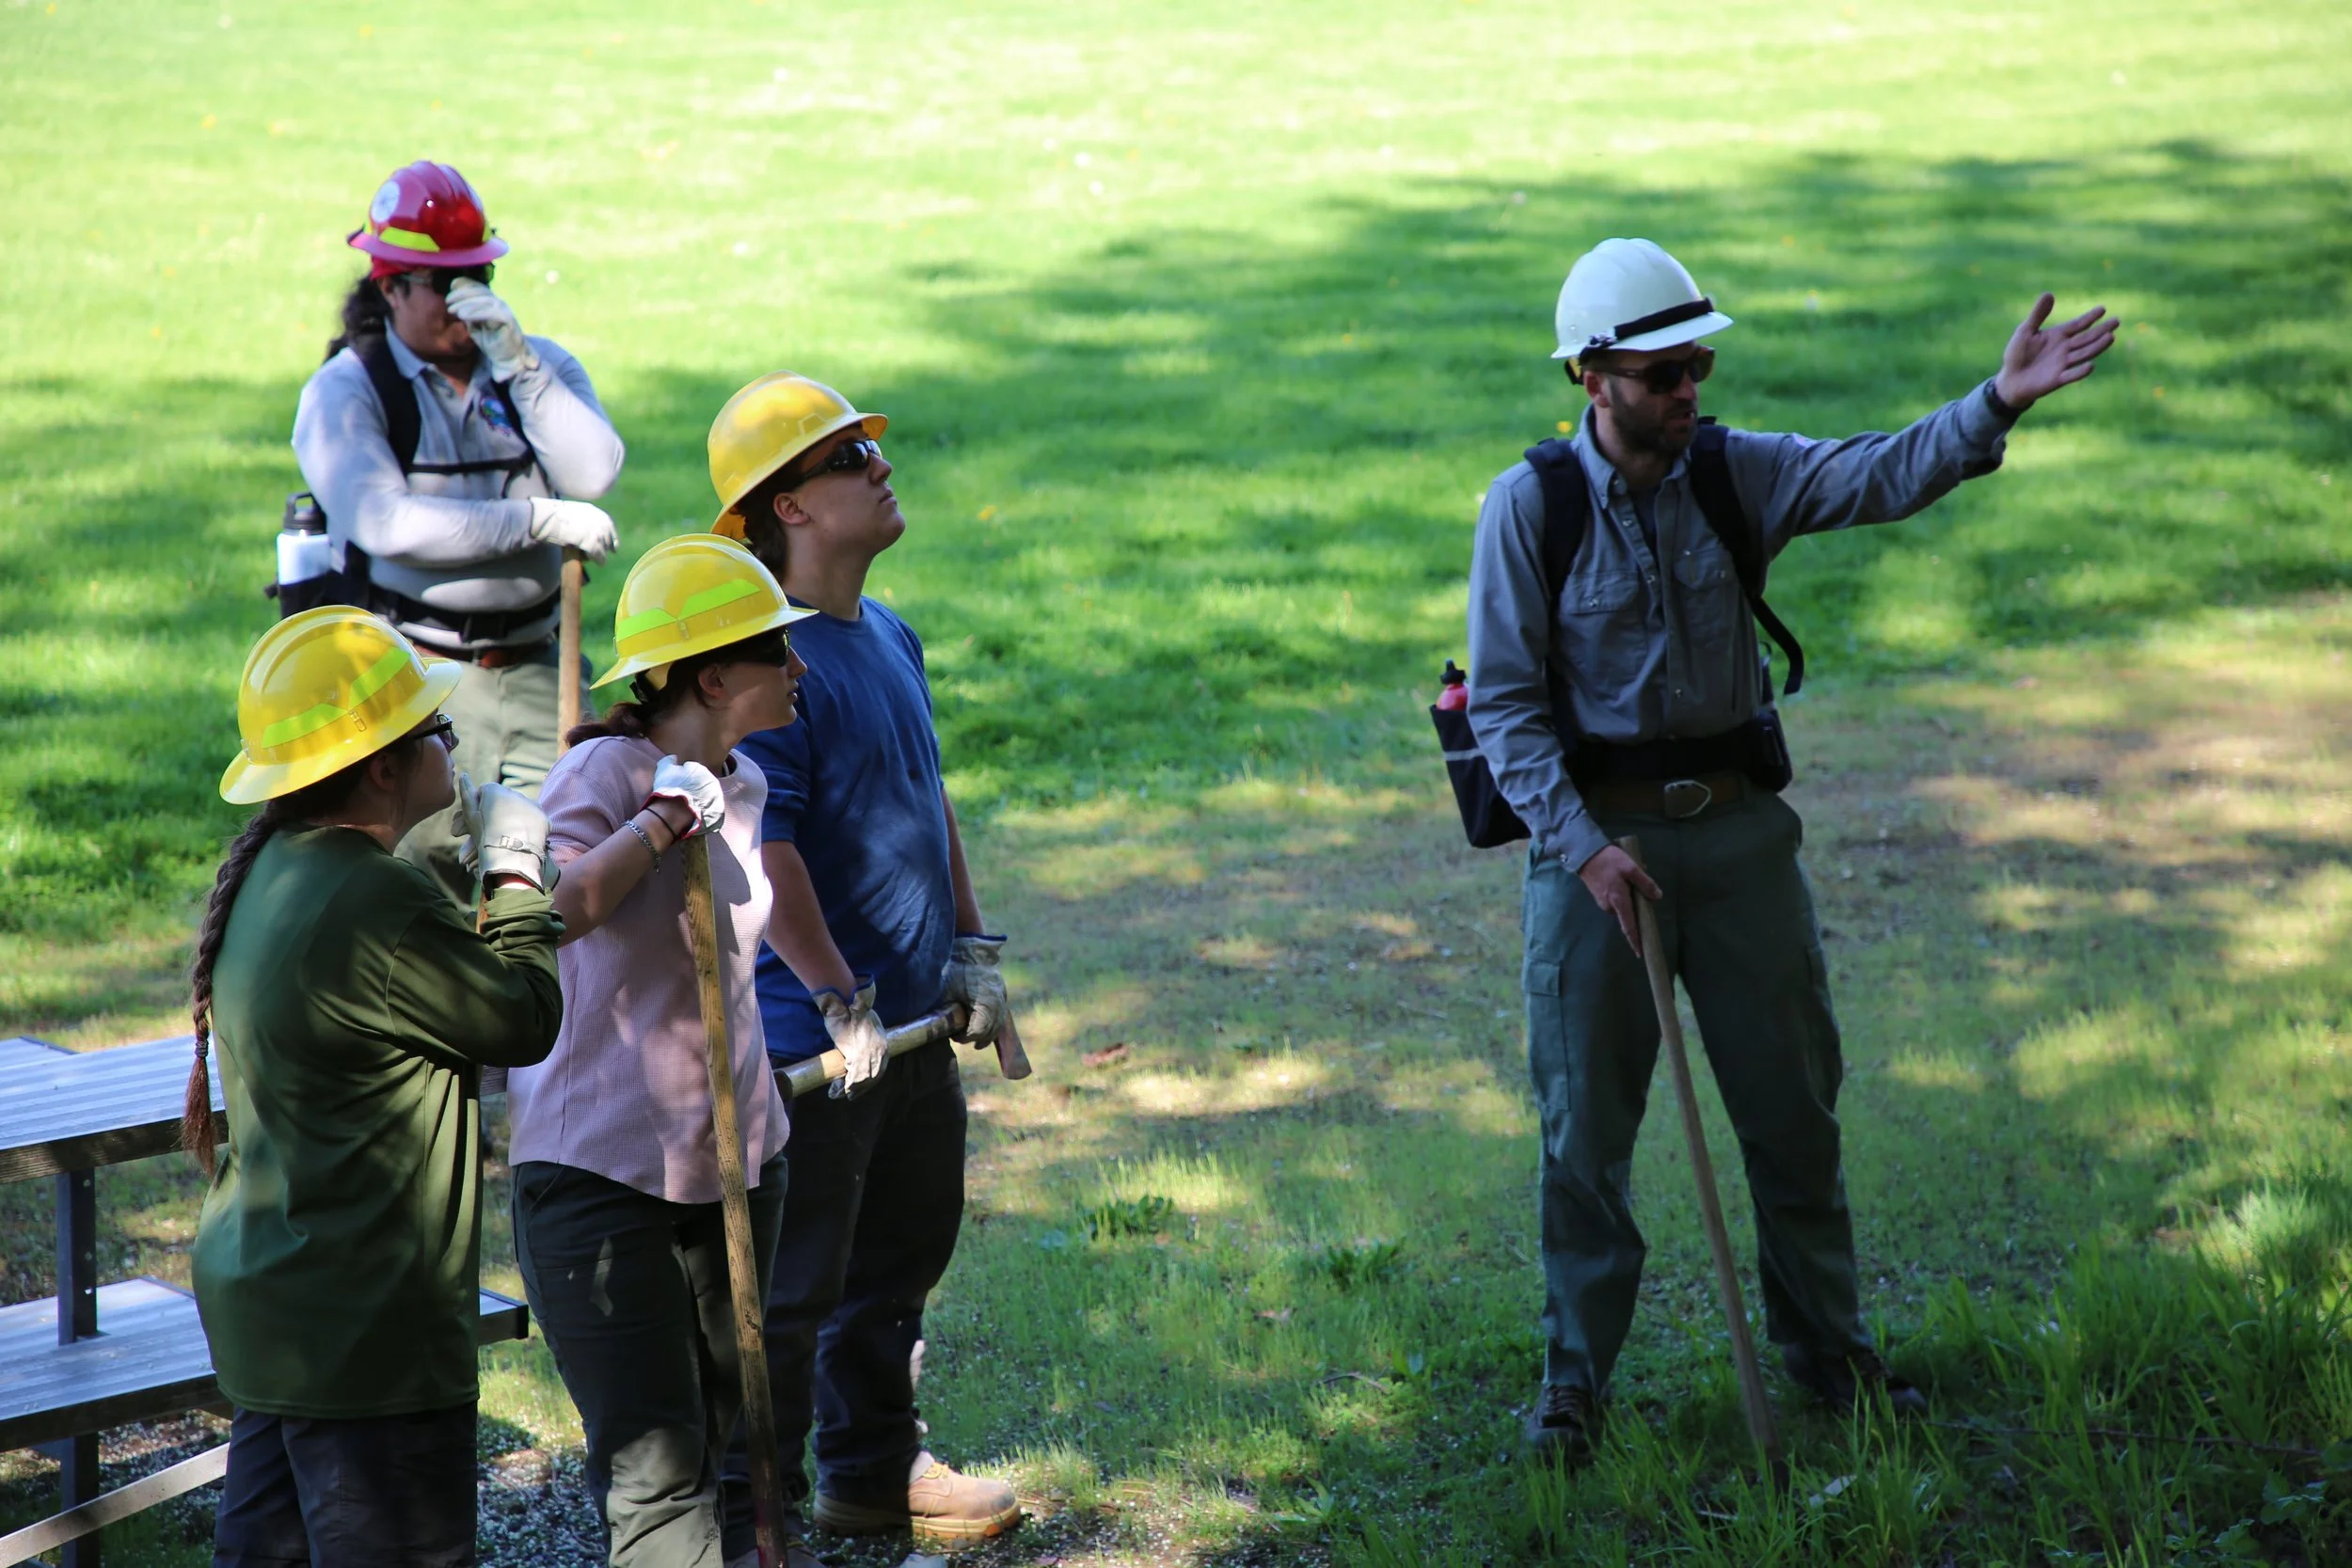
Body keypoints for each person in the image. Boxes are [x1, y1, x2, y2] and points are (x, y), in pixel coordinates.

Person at [1467, 238, 2117, 1460]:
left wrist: (1995, 404)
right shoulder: (1530, 508)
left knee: (1794, 1110)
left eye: (1700, 360)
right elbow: (1502, 707)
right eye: (1666, 369)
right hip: (1591, 850)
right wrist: (1585, 849)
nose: (1691, 385)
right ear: (1594, 375)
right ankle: (1572, 1391)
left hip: (1741, 837)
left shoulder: (1735, 472)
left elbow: (1877, 473)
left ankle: (1831, 1355)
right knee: (1584, 1137)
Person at [707, 373, 1021, 1553]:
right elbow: (764, 842)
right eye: (847, 459)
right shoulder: (770, 666)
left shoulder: (886, 633)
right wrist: (838, 996)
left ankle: (872, 1471)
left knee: (901, 1252)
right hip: (818, 1041)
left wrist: (970, 947)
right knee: (793, 1292)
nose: (879, 465)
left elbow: (928, 797)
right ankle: (753, 1515)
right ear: (785, 508)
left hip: (909, 1023)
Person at [188, 607, 565, 1567]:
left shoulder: (279, 865)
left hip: (281, 1305)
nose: (453, 741)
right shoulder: (374, 900)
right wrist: (520, 876)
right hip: (364, 1331)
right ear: (382, 766)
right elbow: (521, 1016)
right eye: (436, 729)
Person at [504, 532, 810, 1568]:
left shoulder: (748, 779)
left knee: (725, 1438)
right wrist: (663, 819)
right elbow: (557, 908)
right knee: (656, 1477)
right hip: (601, 1174)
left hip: (734, 1159)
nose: (802, 670)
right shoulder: (604, 769)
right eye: (783, 652)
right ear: (716, 674)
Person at [293, 158, 628, 907]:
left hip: (544, 663)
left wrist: (522, 368)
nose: (466, 300)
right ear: (390, 288)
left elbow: (596, 469)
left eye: (480, 275)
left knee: (555, 875)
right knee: (431, 884)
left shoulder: (531, 365)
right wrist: (535, 519)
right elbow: (387, 521)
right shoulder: (347, 389)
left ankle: (547, 1024)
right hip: (423, 679)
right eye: (445, 283)